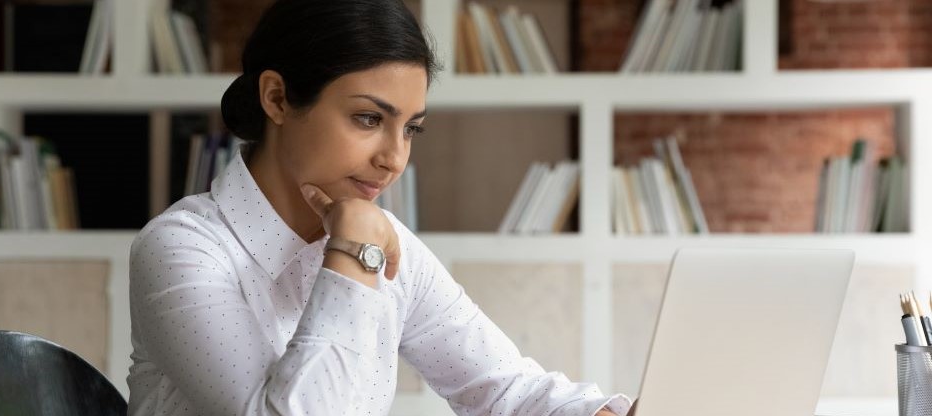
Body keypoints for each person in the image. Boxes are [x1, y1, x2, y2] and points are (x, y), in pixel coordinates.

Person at [127, 0, 633, 414]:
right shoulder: (181, 248)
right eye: (369, 119)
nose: (394, 159)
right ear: (277, 99)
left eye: (411, 128)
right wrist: (351, 255)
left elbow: (506, 390)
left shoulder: (384, 241)